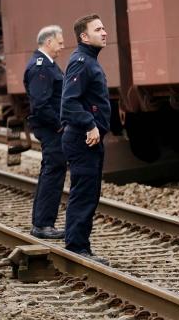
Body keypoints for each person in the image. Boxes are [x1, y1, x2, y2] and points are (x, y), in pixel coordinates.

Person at [60, 14, 111, 264]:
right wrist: (90, 124)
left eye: (103, 28)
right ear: (84, 36)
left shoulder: (89, 61)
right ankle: (77, 248)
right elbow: (68, 102)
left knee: (89, 194)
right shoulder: (81, 62)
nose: (104, 32)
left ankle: (80, 246)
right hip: (83, 139)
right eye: (98, 29)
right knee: (84, 194)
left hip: (89, 139)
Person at [25, 25, 67, 239]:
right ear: (48, 42)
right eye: (60, 42)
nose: (62, 46)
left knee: (52, 171)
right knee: (53, 172)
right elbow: (40, 104)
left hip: (53, 128)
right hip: (51, 130)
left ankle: (42, 223)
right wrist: (60, 124)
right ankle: (42, 225)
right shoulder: (40, 67)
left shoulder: (47, 64)